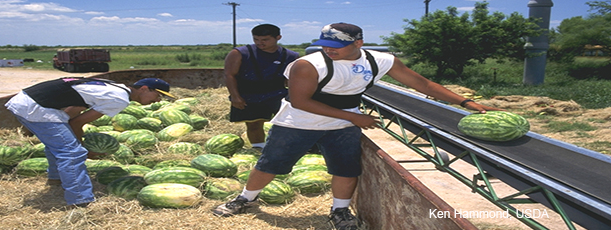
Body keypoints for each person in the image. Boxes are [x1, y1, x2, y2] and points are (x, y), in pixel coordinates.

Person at [212, 23, 501, 229]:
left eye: (337, 46)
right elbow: (301, 102)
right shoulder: (308, 64)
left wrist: (465, 103)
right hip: (298, 122)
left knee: (345, 168)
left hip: (342, 124)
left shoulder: (380, 60)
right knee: (269, 164)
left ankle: (339, 212)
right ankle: (245, 198)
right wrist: (354, 117)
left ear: (358, 44)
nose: (330, 50)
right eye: (326, 44)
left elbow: (422, 83)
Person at [5, 77, 175, 207]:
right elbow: (77, 122)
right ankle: (80, 200)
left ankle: (56, 179)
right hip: (37, 108)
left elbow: (73, 110)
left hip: (26, 101)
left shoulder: (112, 87)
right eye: (158, 95)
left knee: (58, 145)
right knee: (72, 152)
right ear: (144, 88)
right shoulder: (120, 98)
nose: (158, 100)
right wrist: (83, 147)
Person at [224, 24, 299, 150]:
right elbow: (229, 75)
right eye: (256, 39)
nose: (260, 43)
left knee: (287, 123)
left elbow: (292, 80)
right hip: (249, 94)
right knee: (254, 124)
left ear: (278, 37)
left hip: (277, 93)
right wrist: (235, 97)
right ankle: (258, 148)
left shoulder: (291, 56)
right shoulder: (239, 53)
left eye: (265, 40)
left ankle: (286, 148)